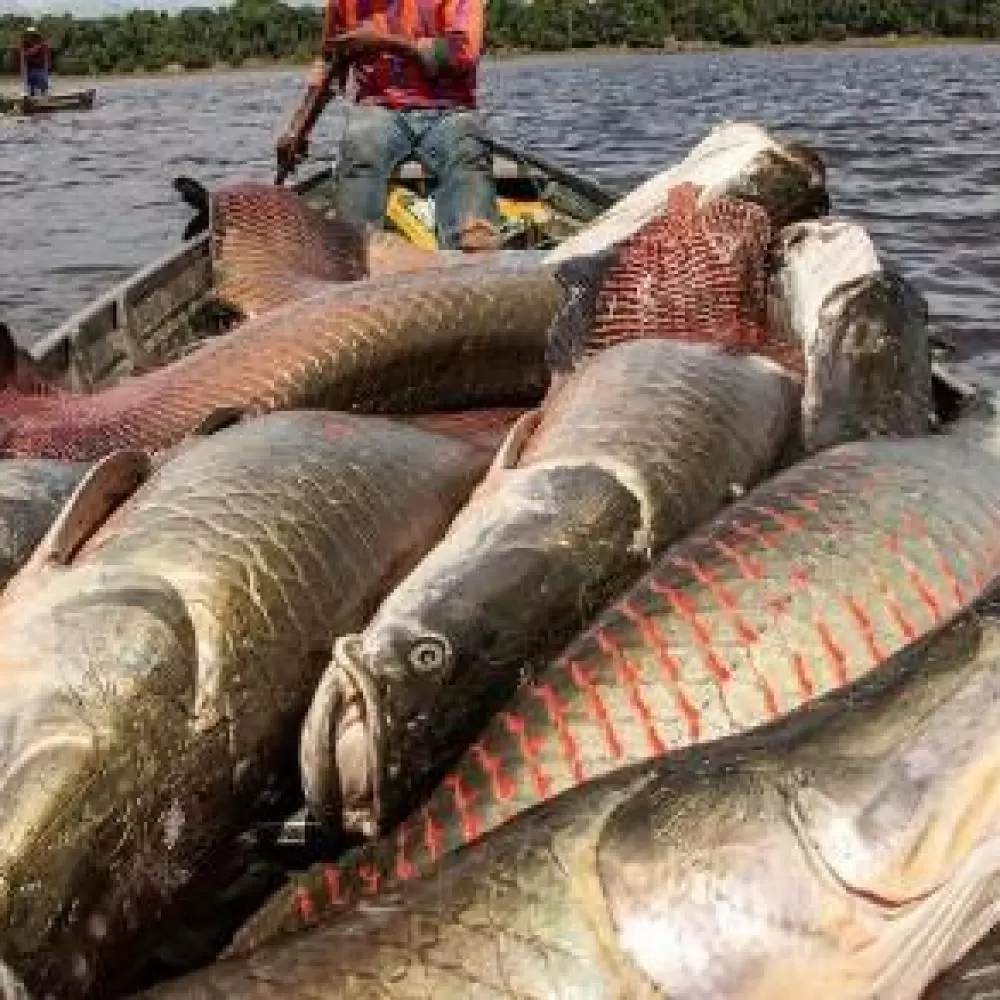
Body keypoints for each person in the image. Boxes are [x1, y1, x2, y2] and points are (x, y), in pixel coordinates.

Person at [277, 0, 500, 252]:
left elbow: (462, 54)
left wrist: (383, 41)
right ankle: (354, 257)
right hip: (380, 108)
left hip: (450, 109)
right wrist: (299, 128)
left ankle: (471, 262)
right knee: (361, 143)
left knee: (467, 151)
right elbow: (331, 61)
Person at [19, 26, 51, 98]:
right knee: (31, 88)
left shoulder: (42, 44)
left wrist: (47, 68)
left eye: (31, 35)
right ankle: (32, 100)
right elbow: (23, 56)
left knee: (43, 87)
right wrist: (23, 70)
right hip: (30, 68)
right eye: (28, 35)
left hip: (40, 68)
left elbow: (45, 55)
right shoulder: (25, 44)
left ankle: (44, 100)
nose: (30, 37)